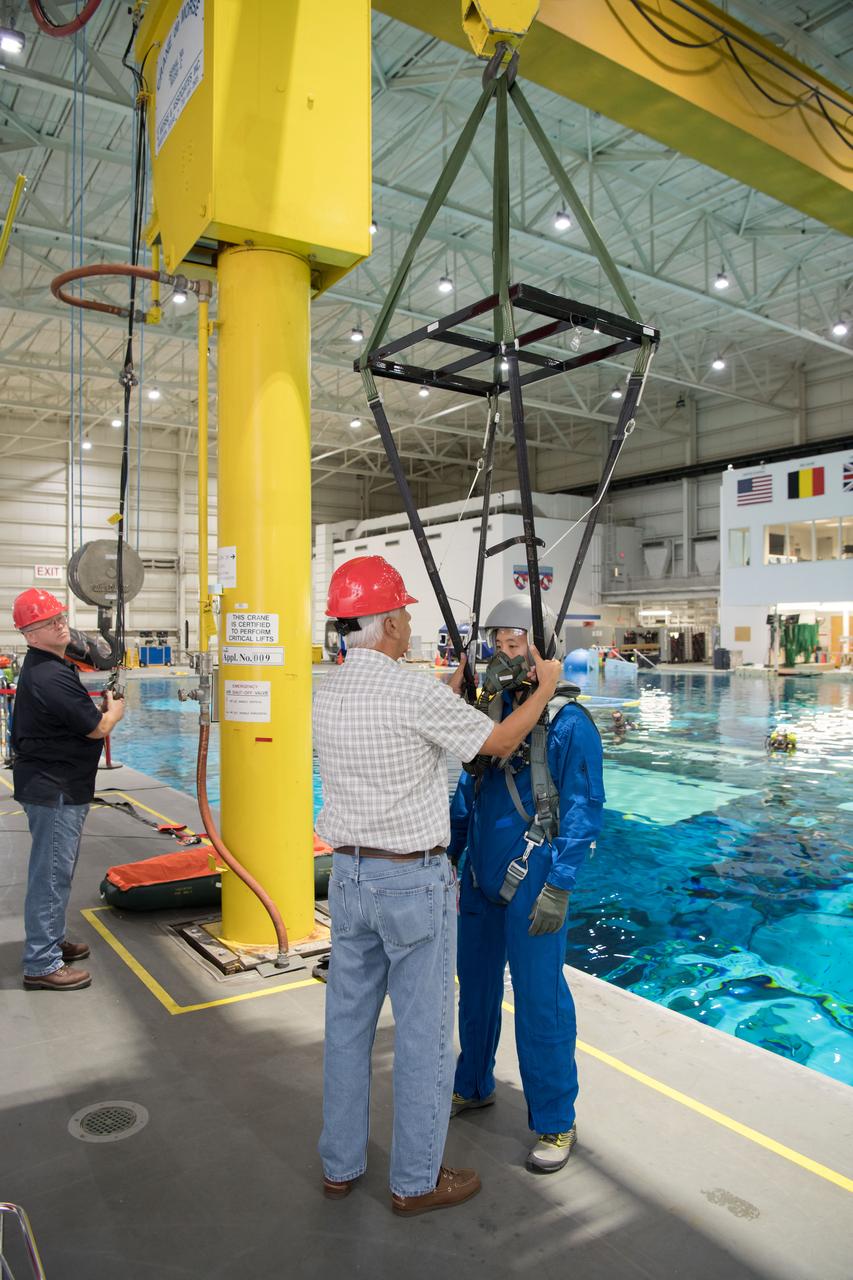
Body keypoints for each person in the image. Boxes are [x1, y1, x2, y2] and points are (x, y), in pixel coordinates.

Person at [313, 556, 563, 1216]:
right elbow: (497, 743)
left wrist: (446, 696)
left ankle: (338, 1165)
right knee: (423, 1037)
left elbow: (410, 735)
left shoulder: (328, 690)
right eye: (403, 617)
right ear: (390, 622)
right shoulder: (412, 692)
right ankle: (416, 1180)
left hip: (348, 878)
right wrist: (545, 689)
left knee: (346, 1028)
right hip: (410, 884)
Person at [449, 595, 604, 1174]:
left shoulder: (570, 726)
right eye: (498, 642)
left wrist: (560, 884)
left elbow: (585, 812)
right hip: (479, 878)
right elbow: (468, 794)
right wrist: (451, 856)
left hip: (534, 877)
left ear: (544, 651)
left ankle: (555, 1121)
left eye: (518, 643)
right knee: (477, 988)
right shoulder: (490, 719)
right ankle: (474, 1083)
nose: (505, 653)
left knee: (540, 1000)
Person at [11, 588, 125, 991]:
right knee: (52, 875)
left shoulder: (51, 666)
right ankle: (42, 964)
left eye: (59, 617)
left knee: (57, 869)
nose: (58, 625)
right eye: (46, 623)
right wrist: (114, 712)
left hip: (54, 784)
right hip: (54, 788)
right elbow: (97, 728)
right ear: (29, 635)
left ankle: (52, 941)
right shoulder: (49, 675)